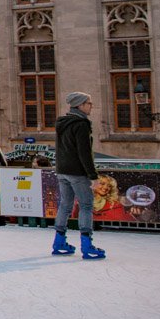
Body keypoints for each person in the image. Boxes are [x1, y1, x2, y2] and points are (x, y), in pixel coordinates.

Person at [53, 91, 105, 259]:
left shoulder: (63, 122)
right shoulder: (81, 124)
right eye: (89, 103)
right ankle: (87, 244)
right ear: (81, 105)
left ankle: (59, 241)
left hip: (62, 170)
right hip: (77, 172)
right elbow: (85, 152)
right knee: (86, 205)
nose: (91, 106)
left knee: (65, 205)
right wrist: (93, 175)